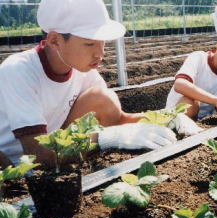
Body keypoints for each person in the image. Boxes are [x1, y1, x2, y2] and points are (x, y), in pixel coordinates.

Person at [0, 0, 200, 169]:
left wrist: (166, 119)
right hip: (13, 166)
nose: (100, 53)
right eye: (89, 44)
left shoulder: (83, 71)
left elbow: (118, 120)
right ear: (54, 40)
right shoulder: (19, 70)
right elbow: (37, 155)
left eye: (102, 42)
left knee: (103, 99)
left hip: (51, 153)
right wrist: (105, 138)